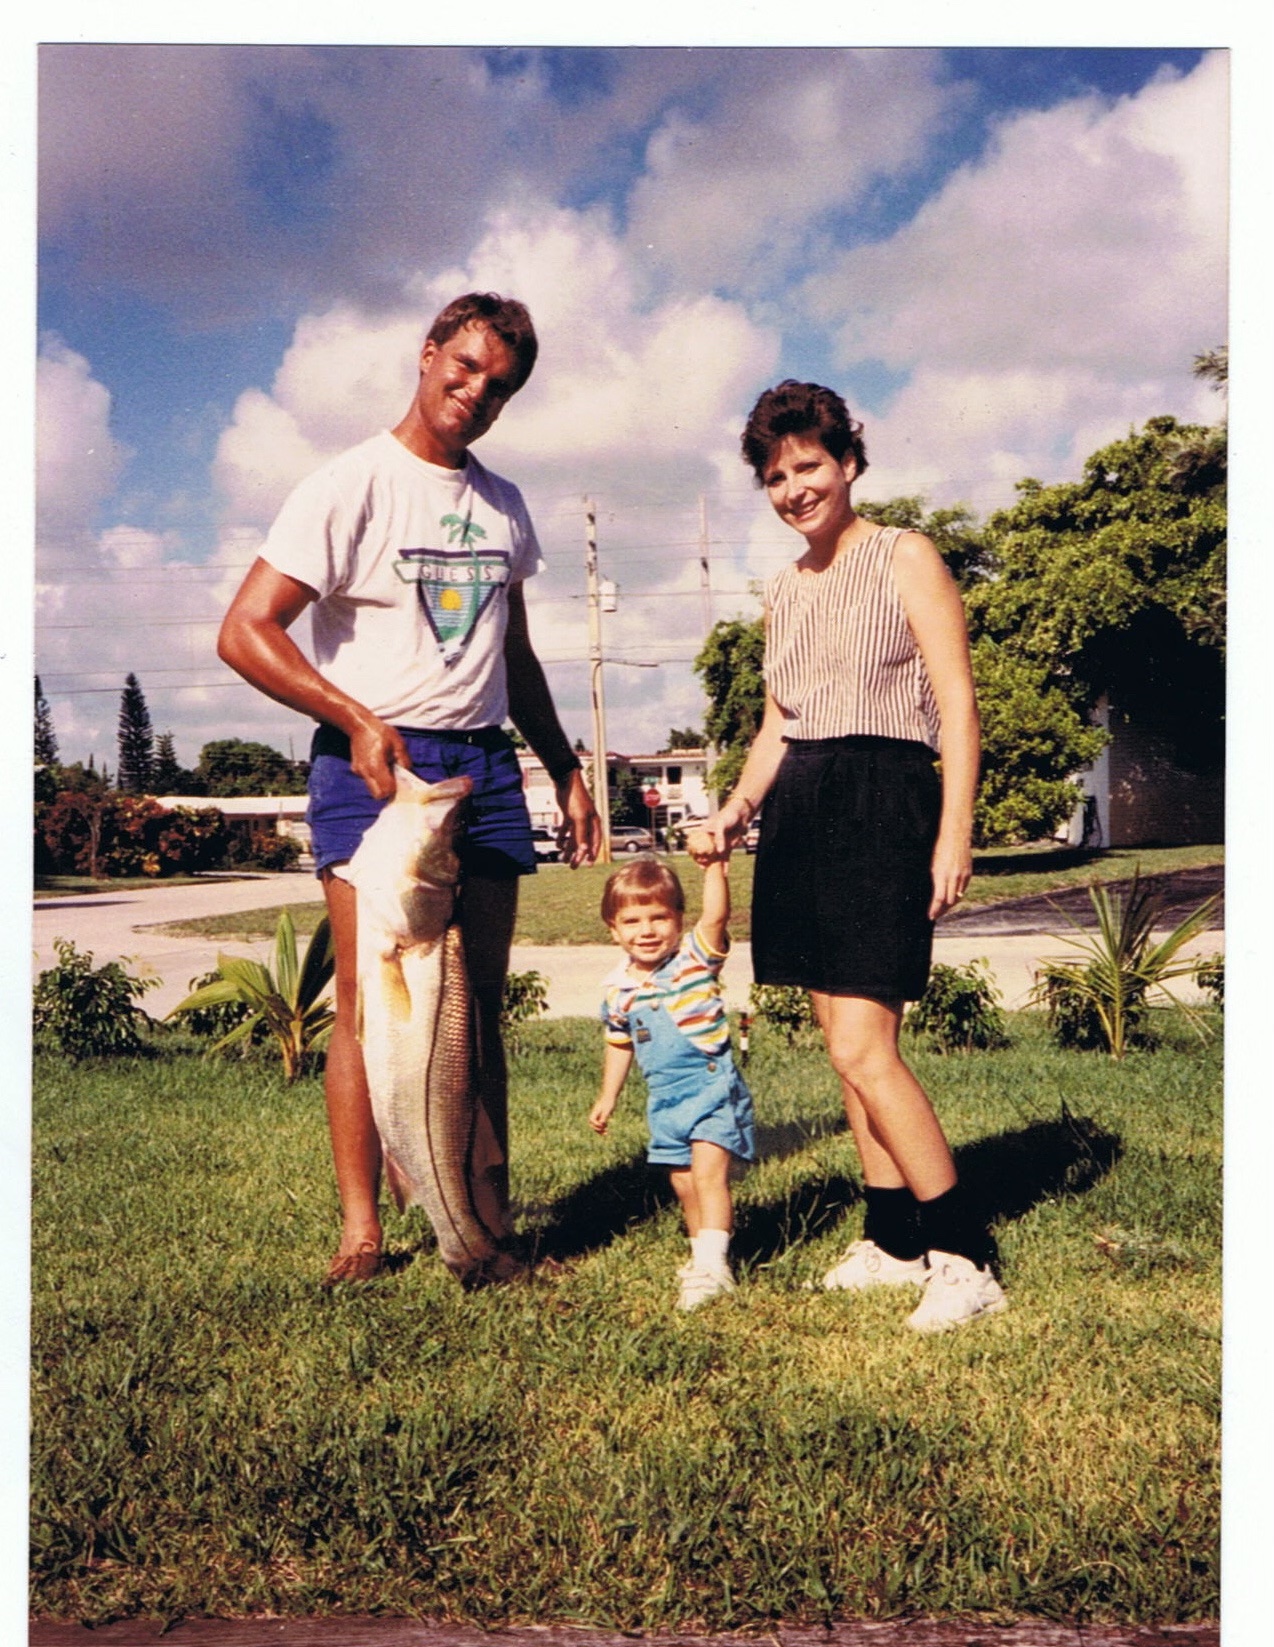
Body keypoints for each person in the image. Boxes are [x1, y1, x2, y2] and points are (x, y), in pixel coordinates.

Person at [218, 292, 600, 1285]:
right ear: (427, 353)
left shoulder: (505, 505)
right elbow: (246, 628)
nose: (475, 393)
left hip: (483, 765)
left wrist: (562, 764)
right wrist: (353, 718)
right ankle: (362, 1231)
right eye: (463, 367)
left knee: (470, 1011)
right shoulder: (348, 486)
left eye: (499, 386)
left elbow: (511, 656)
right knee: (368, 1008)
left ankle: (486, 1224)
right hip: (377, 764)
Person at [690, 379, 1006, 1332]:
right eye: (776, 475)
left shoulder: (905, 555)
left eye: (809, 466)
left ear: (850, 464)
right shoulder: (784, 588)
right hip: (802, 810)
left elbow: (956, 701)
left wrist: (955, 832)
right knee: (842, 1048)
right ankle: (893, 1242)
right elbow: (779, 721)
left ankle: (964, 1256)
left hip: (886, 801)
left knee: (867, 1047)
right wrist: (736, 810)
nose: (794, 488)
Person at [590, 851, 755, 1310]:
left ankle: (715, 1265)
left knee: (707, 1176)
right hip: (664, 1101)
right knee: (683, 1184)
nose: (647, 931)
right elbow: (619, 1044)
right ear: (614, 929)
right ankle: (701, 1255)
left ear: (679, 919)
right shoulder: (618, 990)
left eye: (660, 917)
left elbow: (717, 915)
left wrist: (715, 868)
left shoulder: (693, 961)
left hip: (710, 1089)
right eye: (633, 921)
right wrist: (608, 1096)